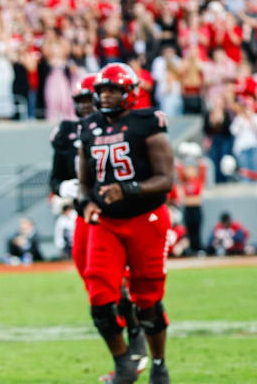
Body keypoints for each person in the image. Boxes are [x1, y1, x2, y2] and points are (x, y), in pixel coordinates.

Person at [79, 63, 173, 384]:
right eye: (103, 90)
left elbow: (166, 179)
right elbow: (84, 182)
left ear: (130, 93)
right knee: (99, 295)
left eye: (113, 90)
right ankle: (123, 364)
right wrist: (86, 202)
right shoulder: (89, 127)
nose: (106, 95)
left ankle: (159, 363)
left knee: (148, 299)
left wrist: (129, 188)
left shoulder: (148, 122)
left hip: (146, 218)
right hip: (107, 221)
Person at [51, 73, 147, 372]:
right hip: (84, 214)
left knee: (112, 282)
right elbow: (55, 177)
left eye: (86, 99)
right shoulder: (67, 132)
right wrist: (64, 188)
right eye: (77, 100)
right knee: (93, 283)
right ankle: (124, 346)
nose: (82, 106)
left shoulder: (118, 127)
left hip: (114, 214)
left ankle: (135, 334)